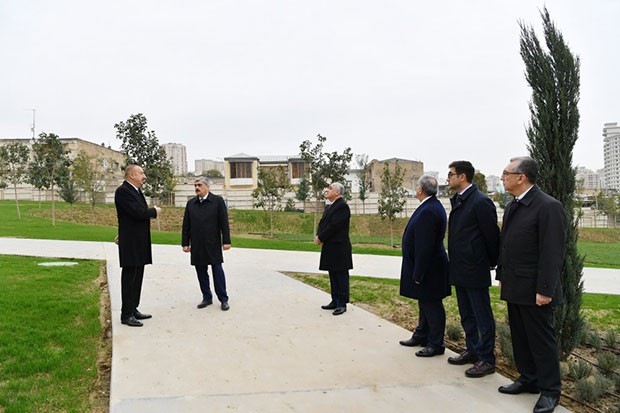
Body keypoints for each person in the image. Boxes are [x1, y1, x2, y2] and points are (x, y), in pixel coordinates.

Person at [496, 156, 566, 413]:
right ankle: (528, 379)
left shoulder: (548, 206)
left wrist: (545, 290)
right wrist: (502, 276)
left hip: (536, 289)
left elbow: (552, 252)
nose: (502, 177)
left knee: (541, 341)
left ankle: (550, 392)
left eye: (506, 173)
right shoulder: (513, 206)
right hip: (515, 284)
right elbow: (507, 245)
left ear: (521, 177)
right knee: (520, 337)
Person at [446, 161, 499, 378]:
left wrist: (490, 262)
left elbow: (492, 236)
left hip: (475, 268)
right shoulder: (460, 200)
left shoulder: (480, 202)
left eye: (451, 174)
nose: (448, 178)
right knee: (467, 314)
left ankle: (487, 358)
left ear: (463, 176)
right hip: (460, 267)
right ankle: (473, 350)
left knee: (481, 315)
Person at [399, 175, 451, 357]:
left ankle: (436, 343)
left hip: (430, 268)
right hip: (428, 266)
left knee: (432, 304)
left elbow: (425, 245)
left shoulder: (429, 210)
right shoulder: (430, 206)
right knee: (424, 302)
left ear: (420, 189)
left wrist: (419, 272)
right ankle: (421, 334)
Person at [114, 164, 161, 327]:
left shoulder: (136, 191)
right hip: (131, 242)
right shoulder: (123, 191)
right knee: (130, 277)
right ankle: (126, 314)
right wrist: (154, 211)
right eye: (141, 173)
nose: (144, 176)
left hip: (138, 241)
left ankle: (133, 308)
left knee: (138, 276)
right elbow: (136, 213)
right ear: (131, 175)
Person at [182, 177, 231, 311]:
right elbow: (186, 225)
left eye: (199, 185)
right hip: (197, 244)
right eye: (195, 185)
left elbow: (224, 223)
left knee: (217, 271)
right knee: (201, 271)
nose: (197, 188)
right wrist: (185, 243)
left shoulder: (217, 201)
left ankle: (223, 299)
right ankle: (207, 297)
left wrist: (226, 241)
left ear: (207, 187)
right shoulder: (191, 204)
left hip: (213, 243)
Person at [315, 182, 353, 316]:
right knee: (333, 274)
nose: (327, 190)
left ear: (337, 192)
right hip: (330, 246)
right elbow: (323, 223)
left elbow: (334, 226)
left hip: (339, 247)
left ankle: (342, 303)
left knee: (340, 275)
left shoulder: (342, 207)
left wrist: (321, 237)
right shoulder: (330, 206)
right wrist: (319, 236)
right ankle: (335, 300)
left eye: (330, 188)